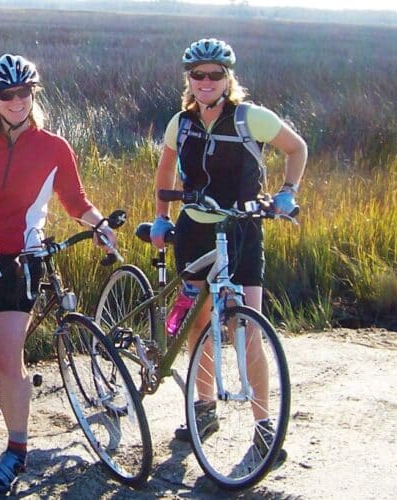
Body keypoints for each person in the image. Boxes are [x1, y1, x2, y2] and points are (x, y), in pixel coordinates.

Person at [0, 54, 117, 494]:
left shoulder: (54, 146)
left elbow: (75, 200)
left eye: (24, 93)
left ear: (34, 95)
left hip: (18, 262)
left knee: (7, 358)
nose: (16, 101)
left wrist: (99, 224)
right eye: (6, 95)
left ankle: (16, 450)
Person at [149, 38, 307, 463]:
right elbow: (165, 169)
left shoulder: (250, 119)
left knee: (247, 331)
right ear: (189, 79)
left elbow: (297, 148)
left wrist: (287, 193)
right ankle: (204, 410)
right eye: (197, 75)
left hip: (242, 232)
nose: (205, 82)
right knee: (198, 324)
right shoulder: (179, 123)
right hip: (194, 232)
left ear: (227, 79)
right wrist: (162, 216)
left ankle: (263, 428)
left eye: (214, 75)